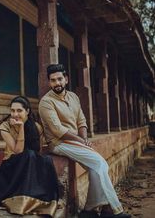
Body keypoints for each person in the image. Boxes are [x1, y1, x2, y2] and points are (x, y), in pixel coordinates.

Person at [39, 64, 131, 218]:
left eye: (60, 79)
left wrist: (84, 138)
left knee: (96, 167)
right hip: (58, 143)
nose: (57, 83)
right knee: (100, 163)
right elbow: (58, 130)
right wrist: (81, 141)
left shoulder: (73, 97)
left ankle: (89, 210)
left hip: (75, 141)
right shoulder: (46, 102)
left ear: (66, 79)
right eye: (53, 80)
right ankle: (114, 210)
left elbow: (81, 121)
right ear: (49, 82)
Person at [0, 96, 59, 217]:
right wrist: (21, 127)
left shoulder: (37, 127)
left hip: (29, 163)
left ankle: (36, 198)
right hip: (11, 165)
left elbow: (37, 151)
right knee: (28, 155)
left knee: (45, 160)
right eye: (12, 110)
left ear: (27, 111)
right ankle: (20, 201)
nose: (15, 114)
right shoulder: (5, 126)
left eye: (19, 111)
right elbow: (18, 151)